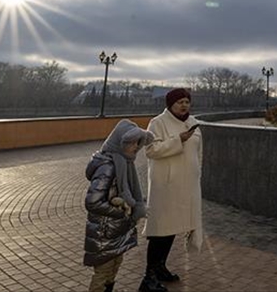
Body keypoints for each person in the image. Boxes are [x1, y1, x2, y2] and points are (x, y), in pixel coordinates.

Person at [142, 88, 203, 290]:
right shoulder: (157, 123)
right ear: (170, 104)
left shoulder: (193, 123)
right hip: (165, 186)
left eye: (187, 101)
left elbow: (199, 154)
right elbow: (151, 150)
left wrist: (197, 174)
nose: (184, 105)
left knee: (172, 229)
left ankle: (160, 268)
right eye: (180, 102)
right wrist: (179, 140)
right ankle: (148, 277)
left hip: (186, 186)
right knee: (160, 230)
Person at [84, 119, 155, 292]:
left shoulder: (124, 163)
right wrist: (121, 212)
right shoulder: (108, 167)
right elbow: (93, 202)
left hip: (114, 230)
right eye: (131, 142)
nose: (135, 147)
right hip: (104, 231)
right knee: (103, 272)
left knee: (114, 267)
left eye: (138, 143)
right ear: (119, 142)